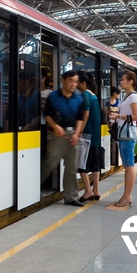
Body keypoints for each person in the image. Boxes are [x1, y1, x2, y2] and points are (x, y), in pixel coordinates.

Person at [42, 70, 87, 207]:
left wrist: (77, 133)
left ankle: (71, 197)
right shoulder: (53, 96)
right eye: (70, 81)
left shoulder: (79, 98)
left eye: (75, 82)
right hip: (57, 135)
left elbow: (80, 118)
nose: (73, 84)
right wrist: (56, 127)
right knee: (50, 163)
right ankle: (32, 190)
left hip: (73, 135)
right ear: (63, 81)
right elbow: (47, 115)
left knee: (72, 167)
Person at [108, 71, 137, 206]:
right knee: (127, 165)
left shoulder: (133, 97)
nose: (120, 82)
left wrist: (119, 116)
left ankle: (127, 196)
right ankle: (127, 195)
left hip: (127, 134)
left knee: (129, 166)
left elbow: (136, 116)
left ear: (130, 82)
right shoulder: (126, 96)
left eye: (122, 80)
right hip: (124, 134)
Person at [77, 71, 101, 201]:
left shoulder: (85, 94)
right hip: (95, 136)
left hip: (86, 135)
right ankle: (96, 190)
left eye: (77, 83)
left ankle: (88, 191)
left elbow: (85, 114)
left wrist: (80, 130)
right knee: (94, 164)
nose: (76, 85)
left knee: (82, 164)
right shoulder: (94, 96)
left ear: (83, 83)